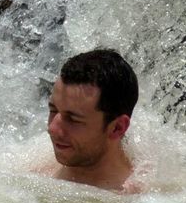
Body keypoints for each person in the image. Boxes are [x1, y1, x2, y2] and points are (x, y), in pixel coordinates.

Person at [46, 48, 140, 193]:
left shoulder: (138, 200)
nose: (52, 129)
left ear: (117, 128)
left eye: (73, 119)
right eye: (53, 110)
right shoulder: (34, 169)